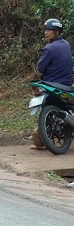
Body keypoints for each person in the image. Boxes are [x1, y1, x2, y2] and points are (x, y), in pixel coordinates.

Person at [32, 18, 72, 150]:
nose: (46, 32)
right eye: (45, 30)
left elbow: (40, 67)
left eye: (49, 30)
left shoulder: (48, 48)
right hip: (66, 83)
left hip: (51, 83)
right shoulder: (66, 45)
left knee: (46, 106)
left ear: (56, 31)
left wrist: (49, 68)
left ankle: (43, 139)